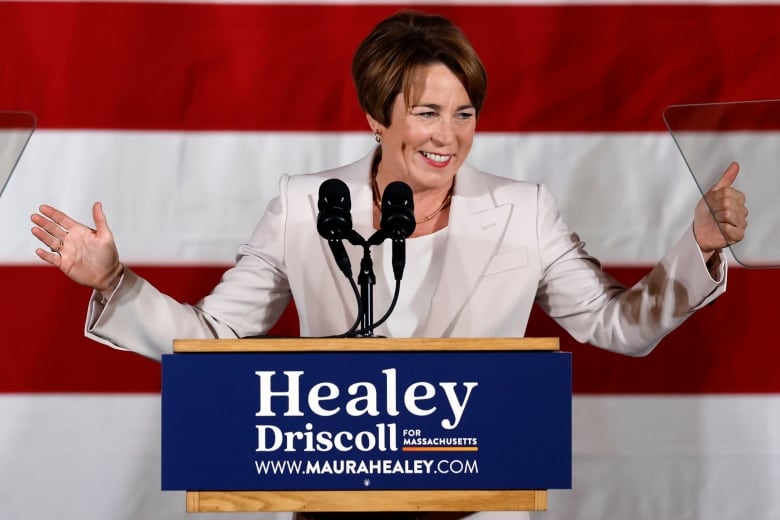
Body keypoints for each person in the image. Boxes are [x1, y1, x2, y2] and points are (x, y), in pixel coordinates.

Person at [30, 10, 747, 520]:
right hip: (334, 507)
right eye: (427, 113)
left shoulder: (525, 210)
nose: (449, 137)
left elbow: (618, 325)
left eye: (465, 113)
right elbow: (215, 339)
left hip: (474, 508)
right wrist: (114, 283)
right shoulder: (306, 205)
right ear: (377, 116)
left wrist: (701, 247)